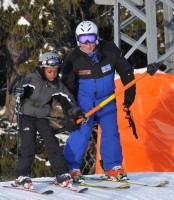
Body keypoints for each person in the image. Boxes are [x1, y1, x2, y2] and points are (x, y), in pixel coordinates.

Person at [61, 21, 136, 180]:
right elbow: (66, 88)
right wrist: (71, 110)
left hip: (107, 98)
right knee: (81, 132)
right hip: (84, 101)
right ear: (77, 40)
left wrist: (129, 97)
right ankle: (70, 167)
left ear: (97, 37)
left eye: (91, 38)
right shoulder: (73, 58)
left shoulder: (109, 49)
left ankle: (112, 166)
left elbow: (126, 72)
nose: (87, 44)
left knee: (110, 131)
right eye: (83, 40)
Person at [12, 52, 86, 189]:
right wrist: (18, 91)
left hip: (42, 117)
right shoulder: (31, 79)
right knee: (28, 145)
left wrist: (77, 113)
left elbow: (69, 101)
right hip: (26, 116)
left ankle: (61, 174)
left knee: (52, 144)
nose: (53, 74)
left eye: (55, 71)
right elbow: (16, 89)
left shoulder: (57, 85)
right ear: (42, 69)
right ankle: (21, 175)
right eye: (49, 71)